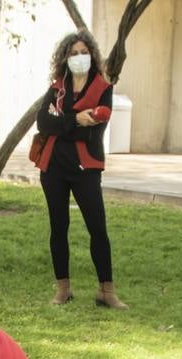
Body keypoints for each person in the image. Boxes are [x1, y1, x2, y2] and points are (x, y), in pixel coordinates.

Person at [35, 32, 123, 309]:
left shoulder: (102, 88)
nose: (78, 57)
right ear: (65, 57)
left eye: (83, 51)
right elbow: (42, 123)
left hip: (86, 169)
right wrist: (75, 120)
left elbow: (94, 131)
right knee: (58, 227)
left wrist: (62, 123)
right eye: (73, 53)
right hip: (53, 168)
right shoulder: (57, 87)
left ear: (92, 55)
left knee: (97, 228)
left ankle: (106, 291)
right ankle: (63, 289)